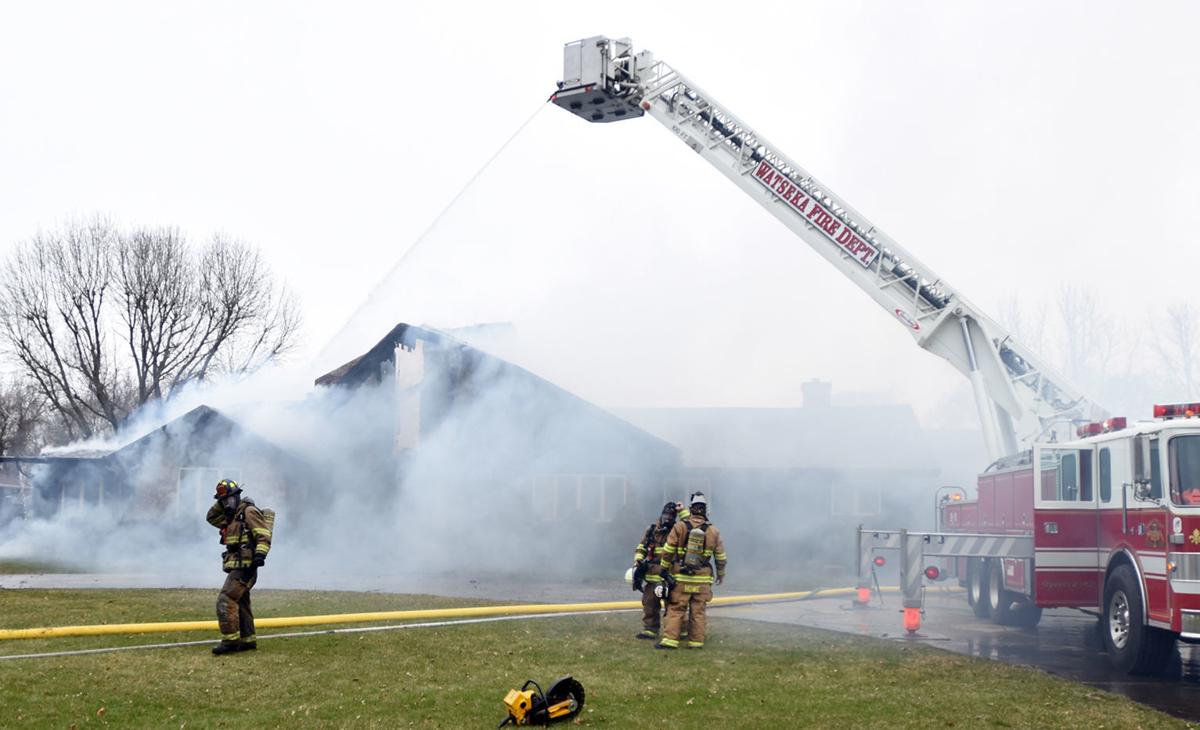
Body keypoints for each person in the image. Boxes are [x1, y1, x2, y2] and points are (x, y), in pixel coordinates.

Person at [206, 479, 272, 655]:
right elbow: (211, 517)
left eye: (228, 499)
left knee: (226, 599)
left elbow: (263, 535)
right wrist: (222, 504)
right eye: (223, 501)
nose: (226, 503)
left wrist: (260, 556)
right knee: (241, 602)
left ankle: (230, 641)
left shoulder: (249, 512)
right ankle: (247, 640)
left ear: (237, 496)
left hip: (247, 566)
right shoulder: (231, 516)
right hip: (238, 564)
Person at [657, 491, 726, 650]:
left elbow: (668, 550)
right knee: (698, 612)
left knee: (676, 608)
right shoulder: (713, 531)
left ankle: (670, 641)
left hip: (681, 578)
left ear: (691, 509)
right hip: (702, 580)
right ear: (705, 510)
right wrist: (721, 574)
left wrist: (664, 569)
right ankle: (696, 642)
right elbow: (721, 557)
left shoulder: (680, 527)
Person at [632, 502, 679, 639]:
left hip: (669, 576)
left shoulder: (678, 531)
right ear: (661, 514)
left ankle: (677, 630)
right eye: (666, 514)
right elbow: (642, 547)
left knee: (673, 605)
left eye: (671, 515)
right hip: (652, 574)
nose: (668, 518)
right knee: (649, 603)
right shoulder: (652, 530)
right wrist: (638, 560)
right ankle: (650, 629)